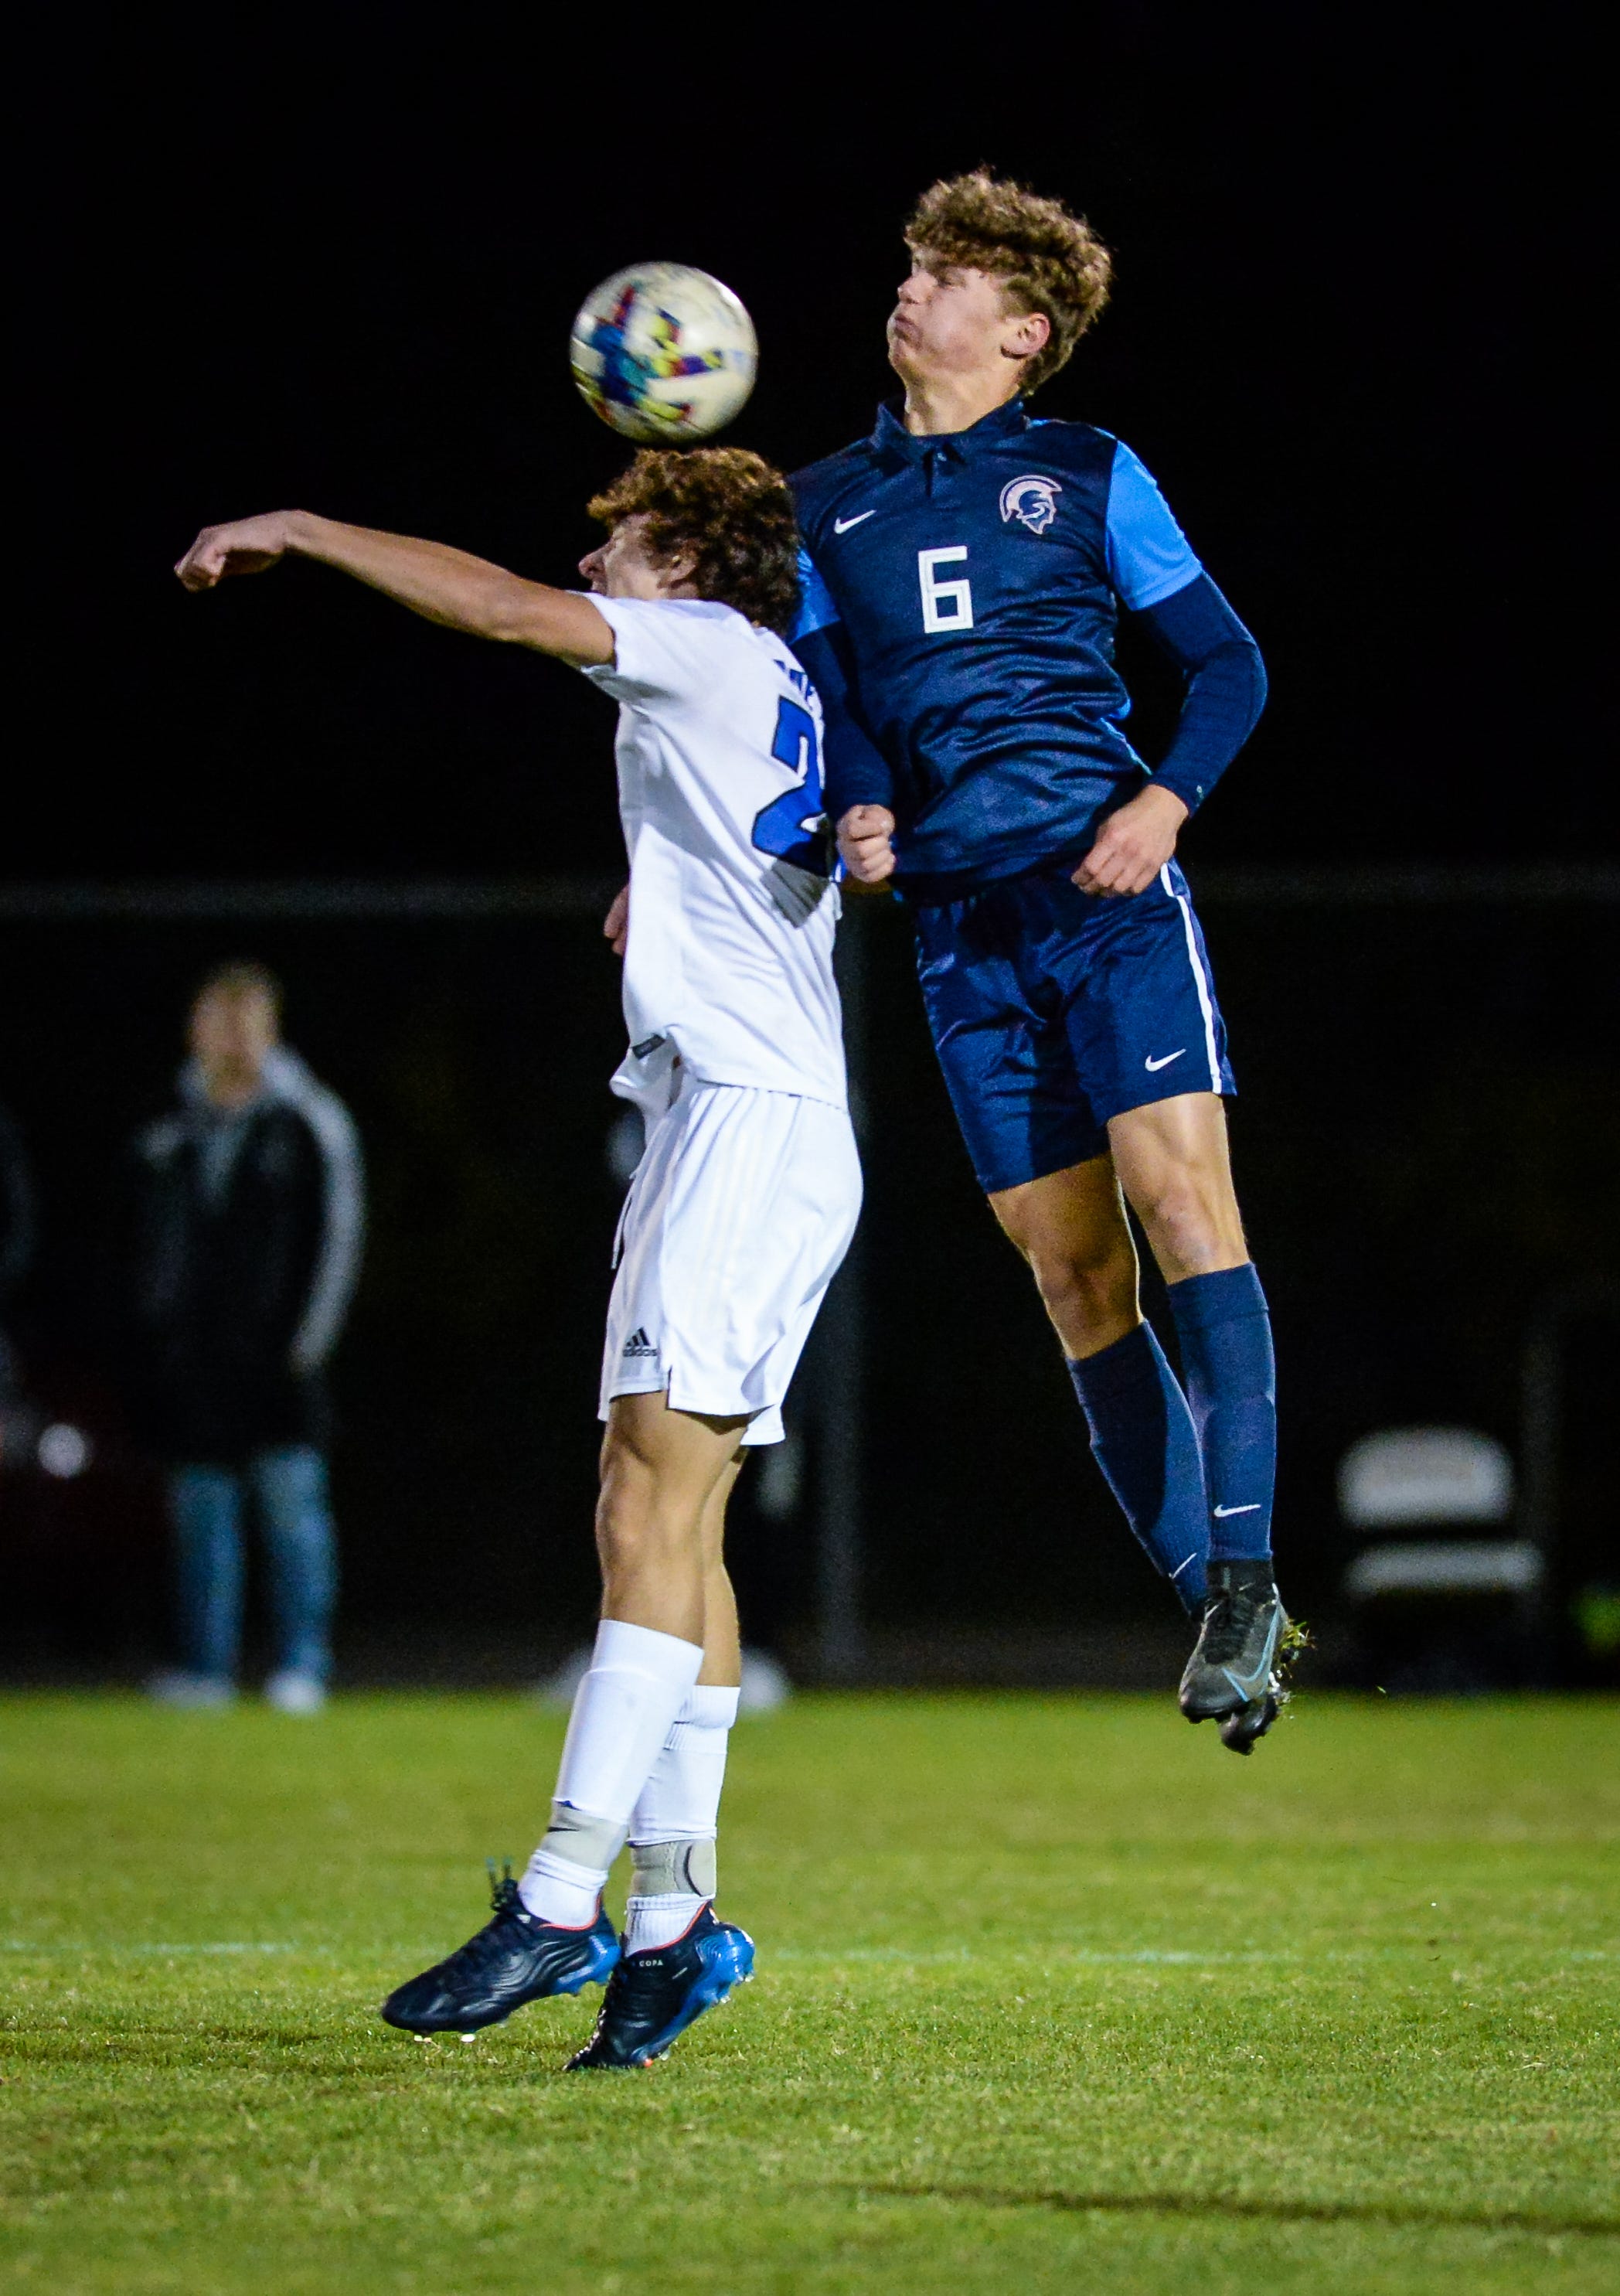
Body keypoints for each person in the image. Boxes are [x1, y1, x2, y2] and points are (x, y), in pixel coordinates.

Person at [175, 447, 860, 2069]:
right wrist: (667, 889)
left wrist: (302, 520)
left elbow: (496, 612)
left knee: (650, 1502)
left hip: (751, 1129)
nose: (597, 560)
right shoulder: (749, 676)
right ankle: (674, 1927)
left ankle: (561, 1902)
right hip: (728, 1122)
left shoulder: (698, 643)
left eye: (620, 536)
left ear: (688, 559)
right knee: (662, 1522)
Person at [788, 172, 1291, 1752]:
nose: (909, 292)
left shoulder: (1084, 471)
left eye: (944, 281)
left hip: (1105, 890)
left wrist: (1162, 799)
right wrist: (857, 801)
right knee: (1072, 1273)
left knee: (1182, 1203)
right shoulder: (826, 503)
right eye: (908, 269)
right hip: (957, 930)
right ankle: (1213, 1596)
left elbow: (1226, 663)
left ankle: (1251, 1585)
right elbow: (835, 694)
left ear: (1023, 332)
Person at [134, 963, 363, 1713]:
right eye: (217, 1019)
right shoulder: (170, 1129)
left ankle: (302, 1663)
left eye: (245, 1021)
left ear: (269, 1031)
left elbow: (337, 1236)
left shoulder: (306, 1121)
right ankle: (205, 1668)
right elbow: (144, 1245)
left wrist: (304, 1347)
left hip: (279, 1362)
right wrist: (158, 1338)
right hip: (195, 1364)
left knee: (291, 1517)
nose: (231, 1037)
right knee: (202, 1520)